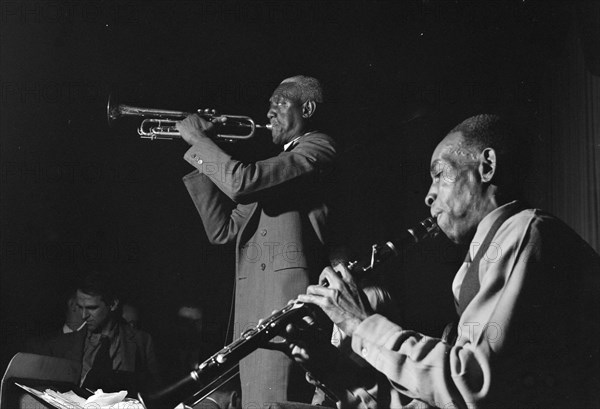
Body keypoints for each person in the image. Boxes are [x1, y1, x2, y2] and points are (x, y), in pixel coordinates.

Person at [288, 115, 600, 408]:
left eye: (440, 175)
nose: (428, 195)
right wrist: (336, 375)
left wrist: (359, 324)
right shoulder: (481, 260)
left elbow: (472, 383)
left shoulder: (524, 232)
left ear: (486, 167)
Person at [177, 75, 337, 406]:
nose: (268, 113)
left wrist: (201, 142)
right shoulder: (273, 172)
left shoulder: (318, 147)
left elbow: (241, 182)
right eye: (268, 106)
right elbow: (222, 230)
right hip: (253, 318)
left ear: (307, 108)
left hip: (286, 314)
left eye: (279, 103)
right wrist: (201, 150)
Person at [30, 272, 161, 396]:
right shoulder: (59, 345)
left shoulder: (141, 341)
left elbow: (152, 392)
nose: (84, 315)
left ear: (113, 304)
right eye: (80, 307)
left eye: (92, 308)